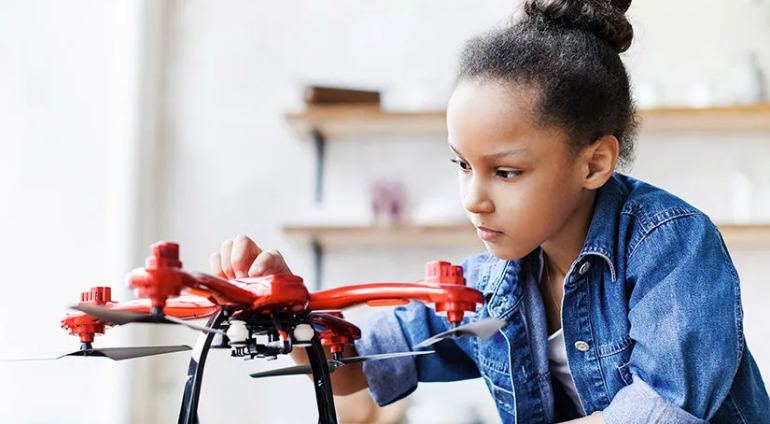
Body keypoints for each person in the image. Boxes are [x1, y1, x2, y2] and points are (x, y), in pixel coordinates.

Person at [209, 1, 770, 422]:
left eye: (505, 172)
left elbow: (662, 411)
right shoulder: (491, 280)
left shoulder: (671, 245)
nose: (473, 198)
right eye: (461, 165)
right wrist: (287, 312)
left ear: (595, 163)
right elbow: (357, 365)